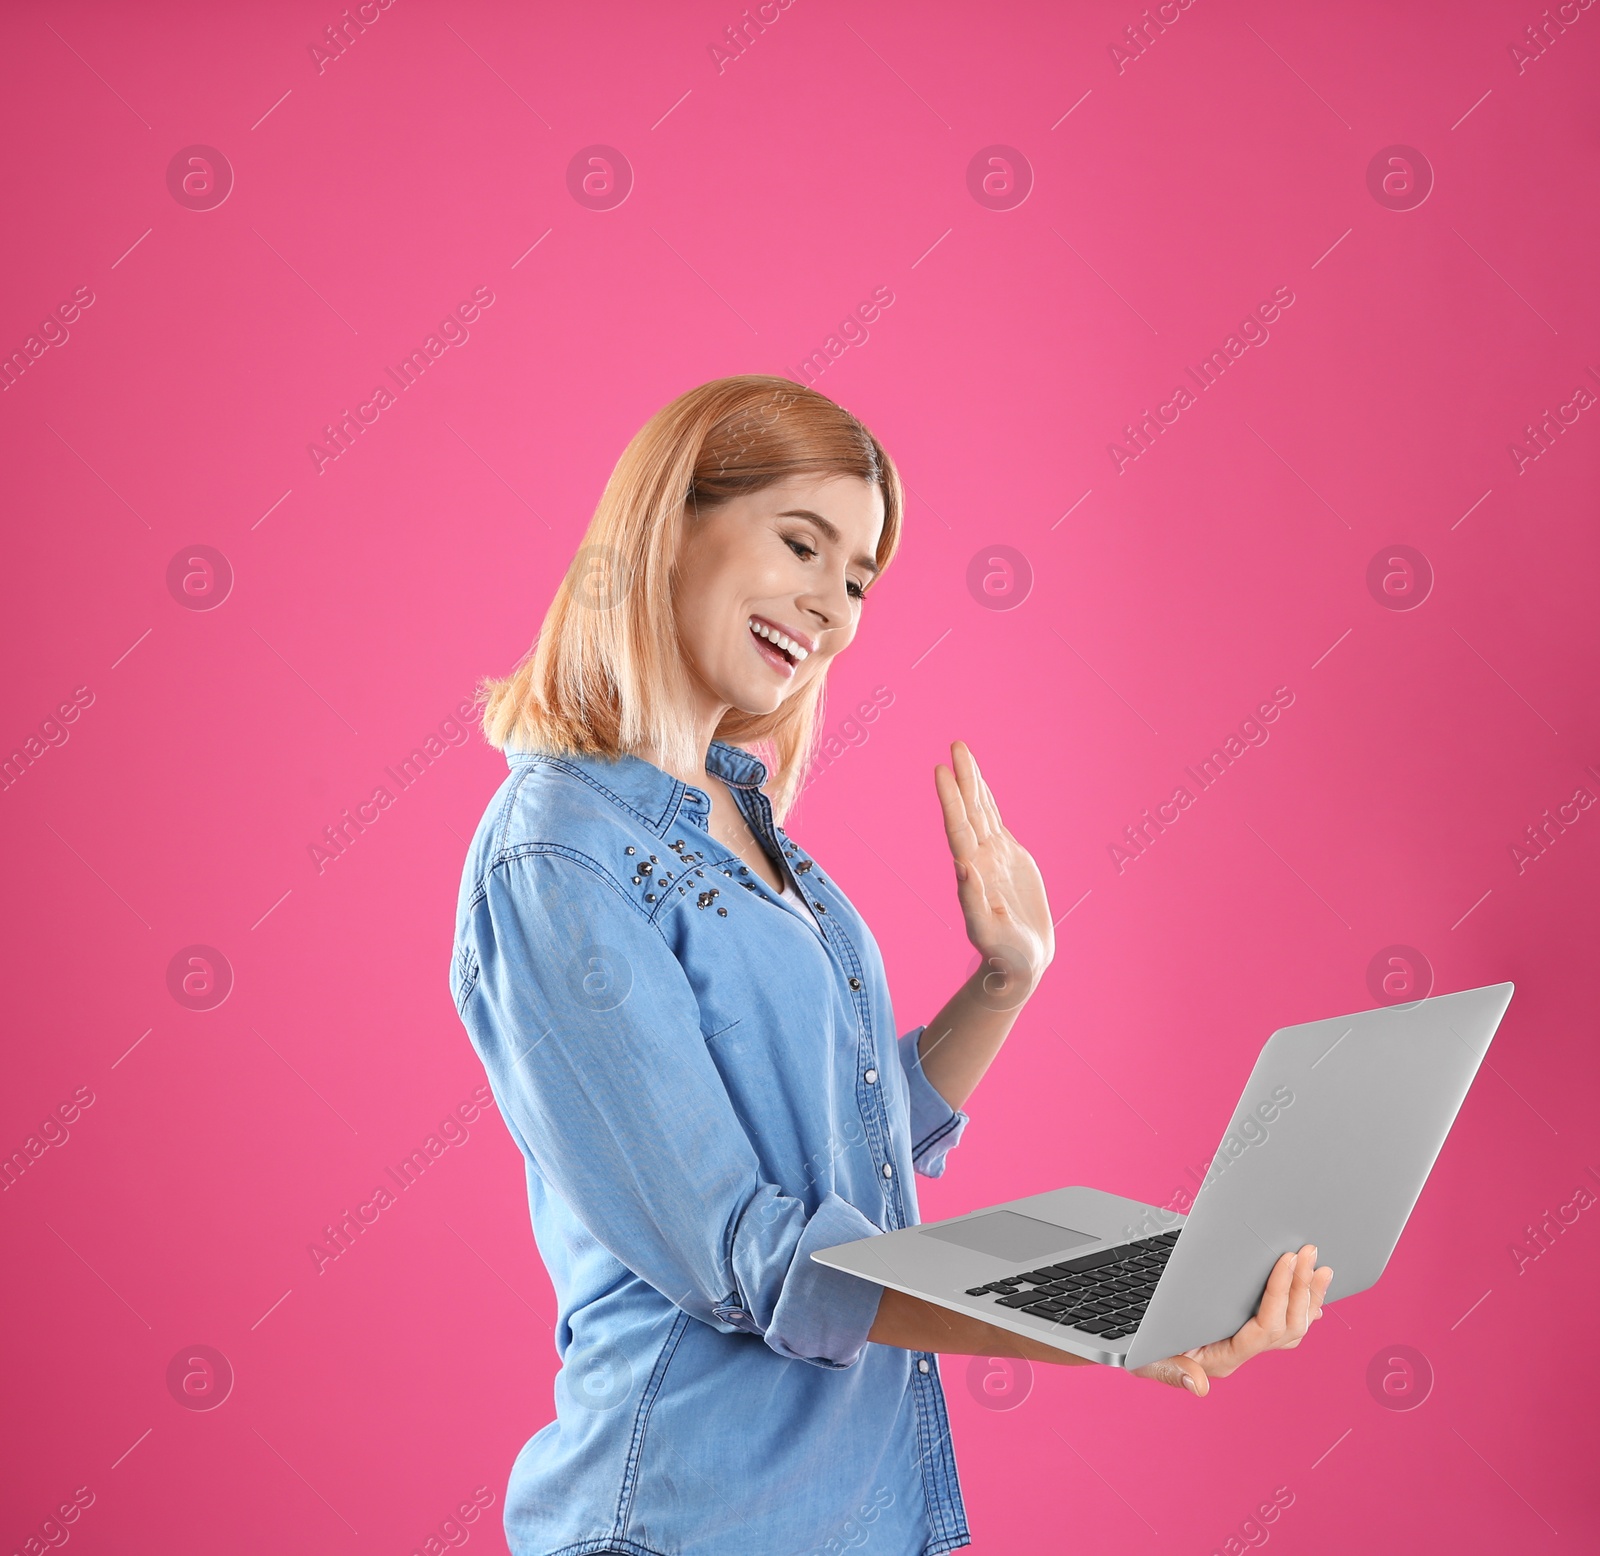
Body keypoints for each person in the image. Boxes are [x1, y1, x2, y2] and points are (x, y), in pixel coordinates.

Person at [449, 375, 1334, 1556]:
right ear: (670, 523)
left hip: (858, 1512)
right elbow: (745, 1253)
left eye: (859, 578)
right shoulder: (555, 854)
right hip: (685, 1518)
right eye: (802, 543)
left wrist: (1007, 978)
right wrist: (1098, 1310)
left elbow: (854, 1152)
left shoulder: (760, 837)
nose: (832, 606)